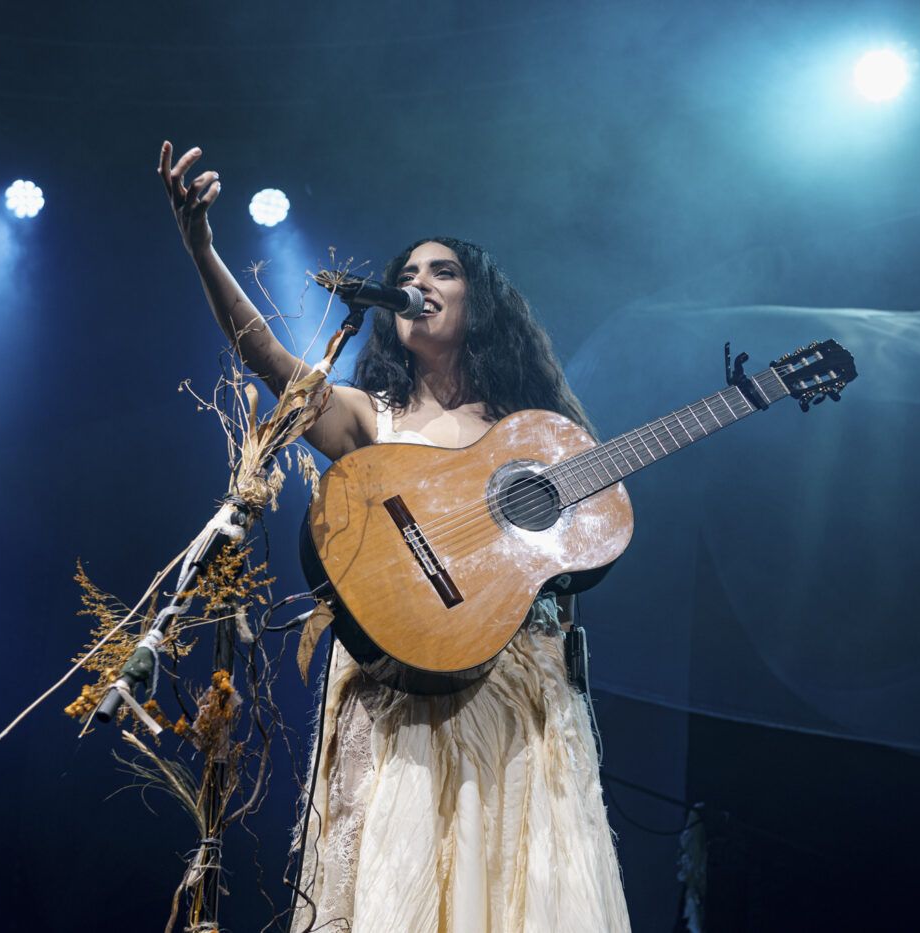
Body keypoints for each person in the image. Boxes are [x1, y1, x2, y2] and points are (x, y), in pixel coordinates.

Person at [159, 141, 632, 933]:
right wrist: (201, 248)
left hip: (514, 694)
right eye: (407, 274)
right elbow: (271, 363)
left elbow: (596, 525)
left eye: (441, 271)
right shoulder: (371, 415)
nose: (417, 283)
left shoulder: (533, 436)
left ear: (483, 299)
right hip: (398, 690)